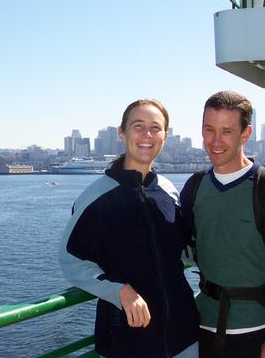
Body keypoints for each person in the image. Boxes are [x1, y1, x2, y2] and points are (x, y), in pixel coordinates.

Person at [180, 91, 265, 358]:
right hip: (206, 328)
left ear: (245, 134)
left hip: (261, 331)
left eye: (227, 131)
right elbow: (174, 243)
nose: (215, 141)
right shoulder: (194, 189)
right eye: (209, 129)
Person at [59, 99, 199, 358]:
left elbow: (185, 250)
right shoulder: (97, 197)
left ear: (165, 136)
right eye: (138, 126)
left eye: (155, 128)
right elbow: (71, 260)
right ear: (122, 133)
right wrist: (119, 290)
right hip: (127, 341)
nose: (147, 135)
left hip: (185, 337)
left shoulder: (169, 192)